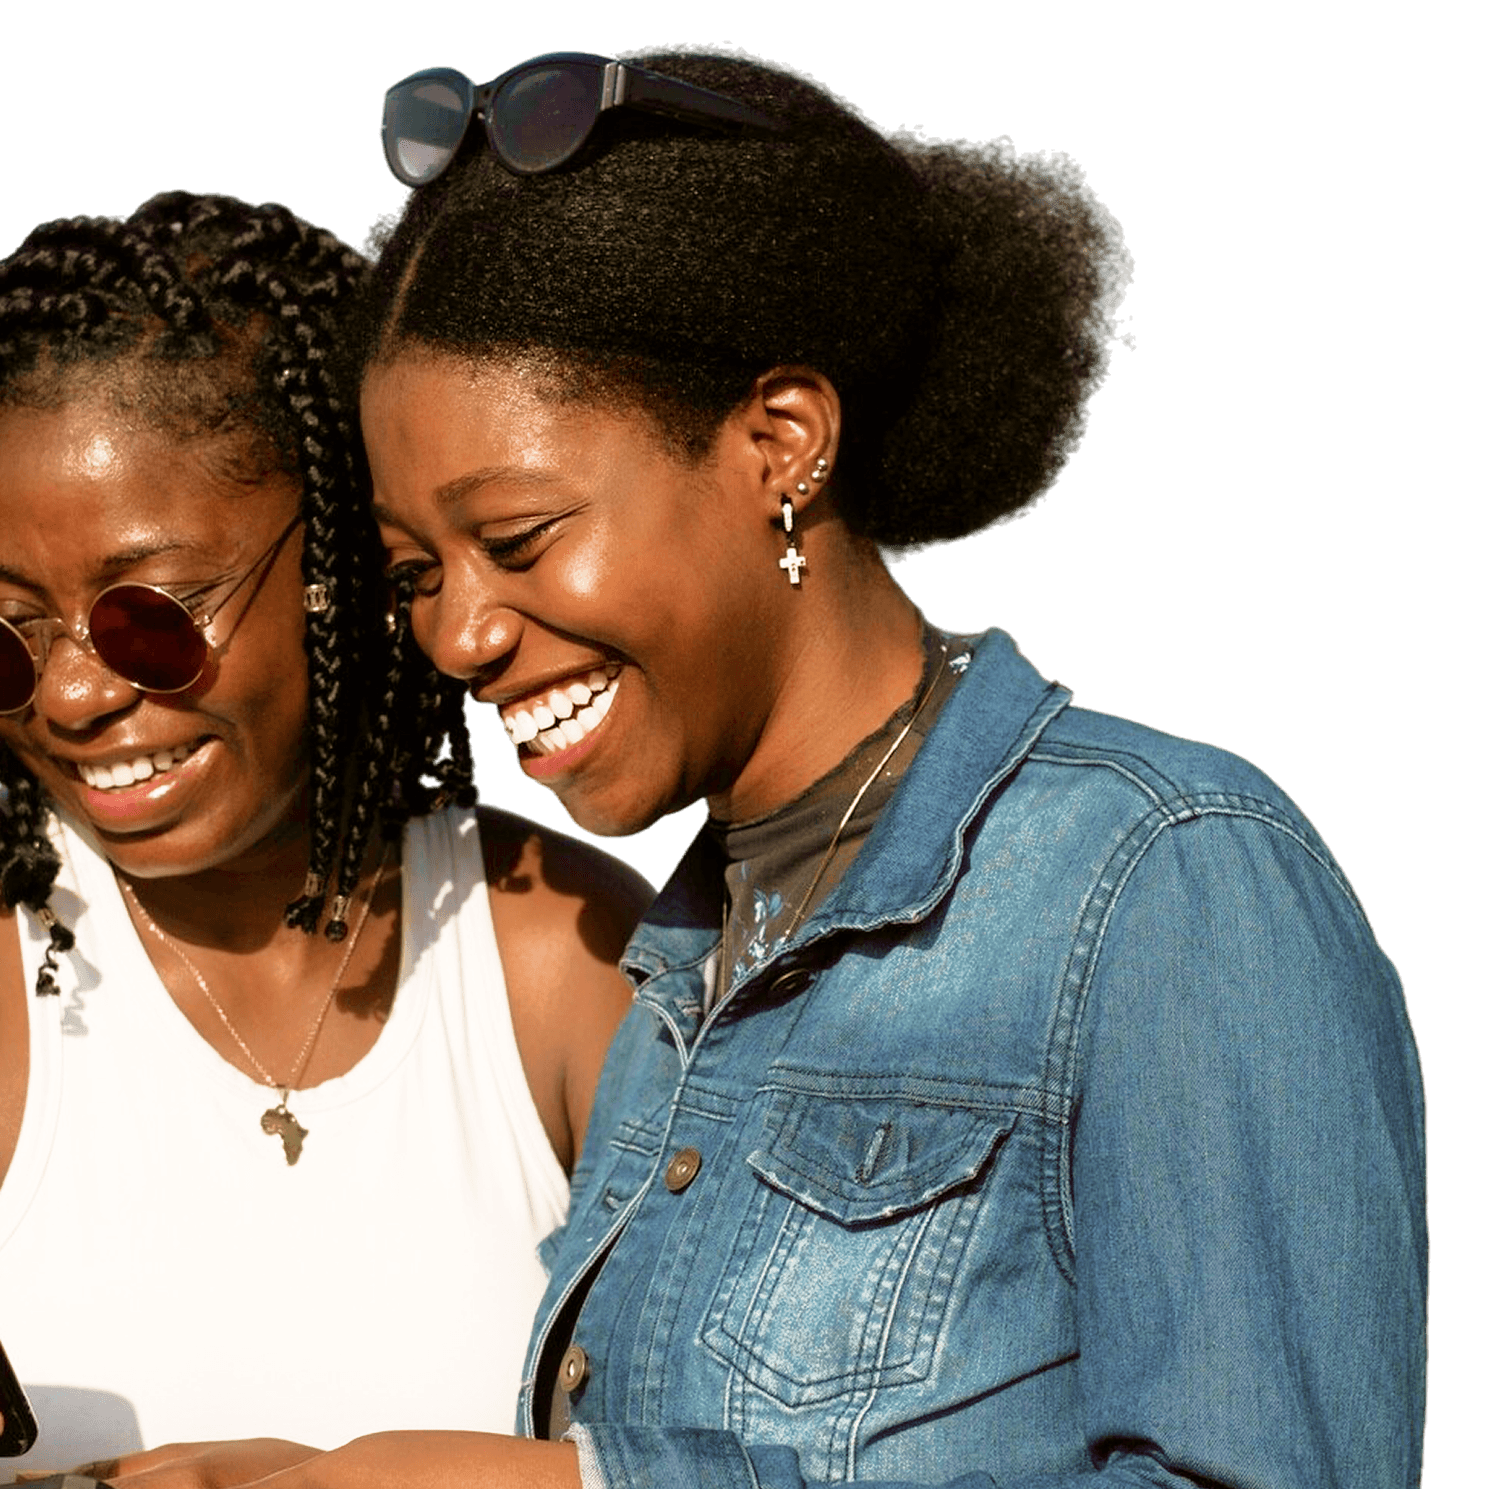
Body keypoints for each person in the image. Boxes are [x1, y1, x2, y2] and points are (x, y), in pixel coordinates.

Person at [96, 49, 1429, 1489]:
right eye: (418, 573)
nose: (461, 636)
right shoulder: (683, 973)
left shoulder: (1164, 885)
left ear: (780, 447)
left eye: (521, 539)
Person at [0, 190, 649, 1489]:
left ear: (348, 566)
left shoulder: (569, 964)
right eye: (1, 637)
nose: (72, 696)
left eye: (149, 620)